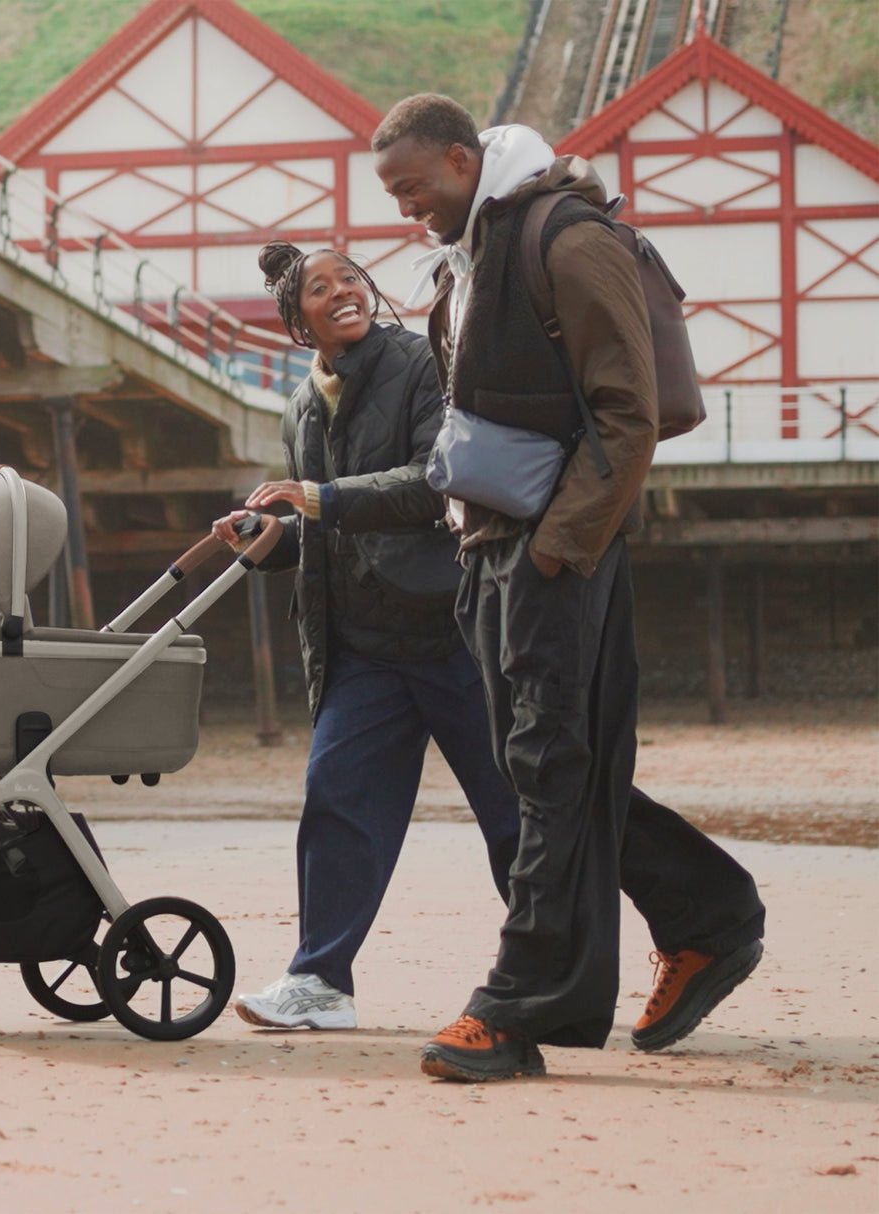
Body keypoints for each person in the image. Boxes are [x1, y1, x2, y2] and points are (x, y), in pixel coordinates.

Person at [371, 94, 766, 1081]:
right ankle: (705, 915)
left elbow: (626, 413)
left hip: (552, 548)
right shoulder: (468, 256)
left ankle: (515, 1003)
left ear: (463, 160)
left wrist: (556, 549)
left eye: (412, 186)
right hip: (489, 547)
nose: (405, 207)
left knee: (546, 765)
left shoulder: (564, 235)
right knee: (541, 768)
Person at [213, 240, 521, 1031]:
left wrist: (316, 498)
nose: (344, 292)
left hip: (452, 632)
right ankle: (320, 983)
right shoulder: (299, 406)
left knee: (514, 815)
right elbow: (320, 530)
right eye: (321, 288)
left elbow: (437, 479)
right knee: (338, 802)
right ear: (296, 318)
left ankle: (551, 971)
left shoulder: (421, 364)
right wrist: (268, 541)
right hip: (363, 650)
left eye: (351, 278)